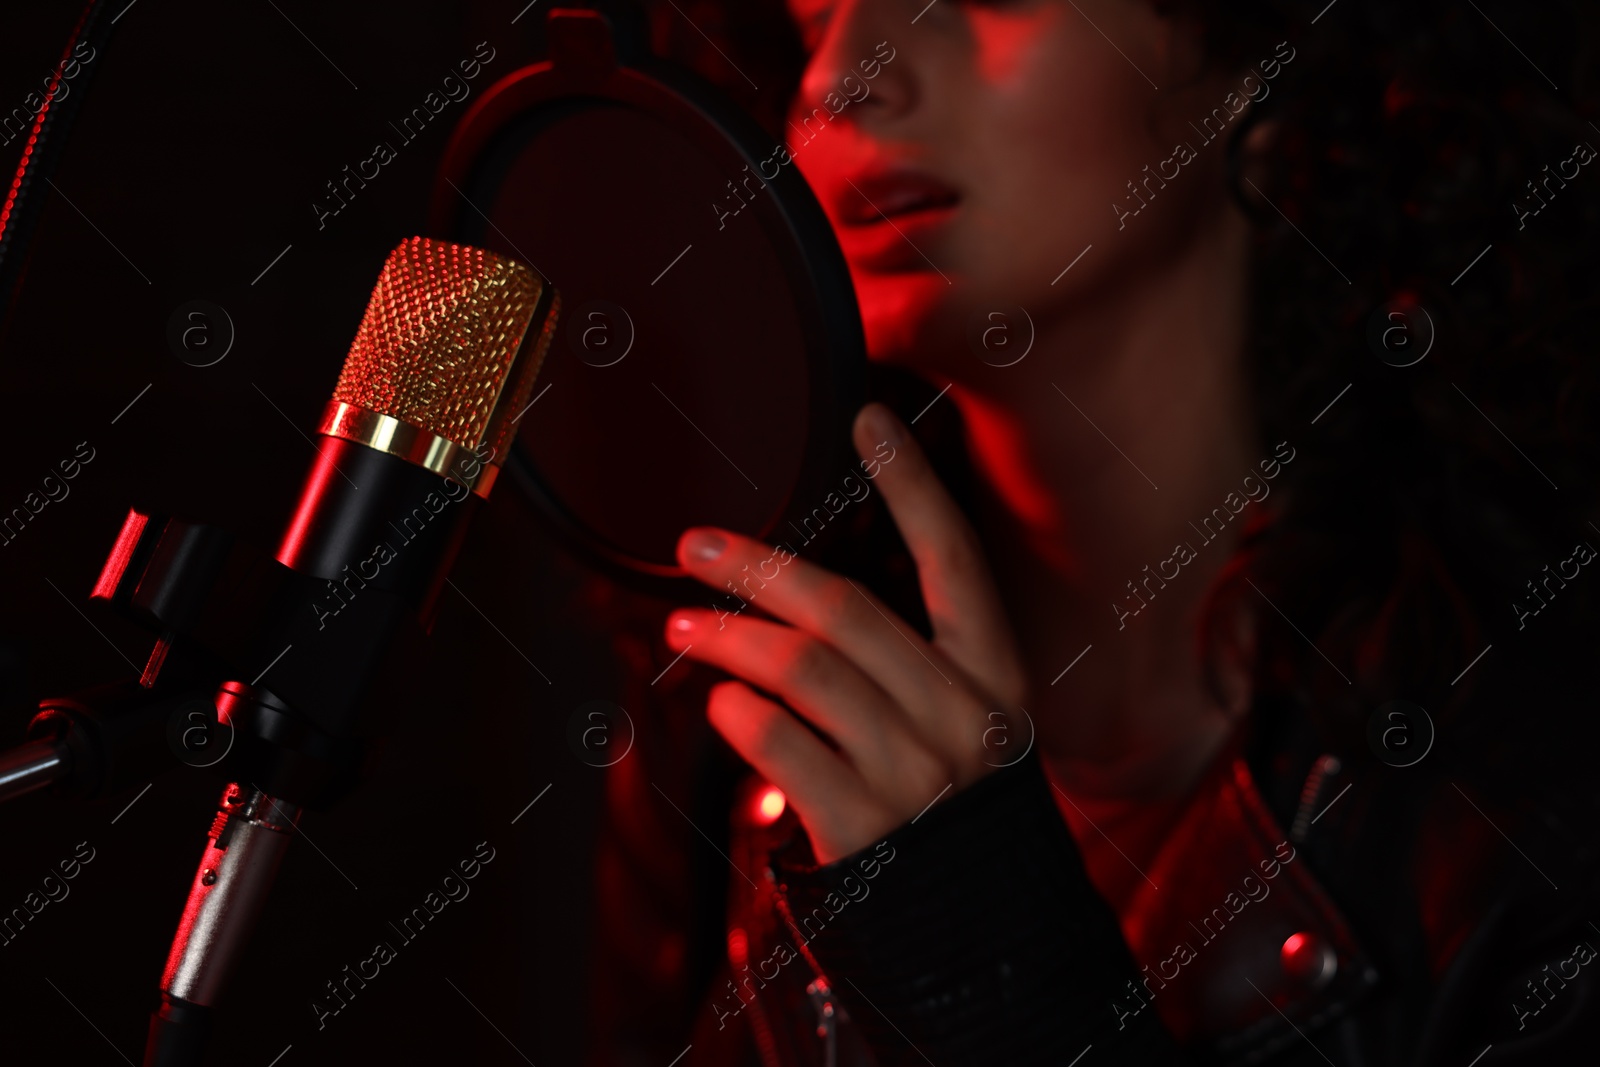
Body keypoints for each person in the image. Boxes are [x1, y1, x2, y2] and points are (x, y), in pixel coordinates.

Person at [588, 1, 1600, 1063]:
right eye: (808, 16)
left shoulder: (1528, 797)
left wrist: (975, 967)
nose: (841, 79)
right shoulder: (734, 724)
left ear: (1254, 62)